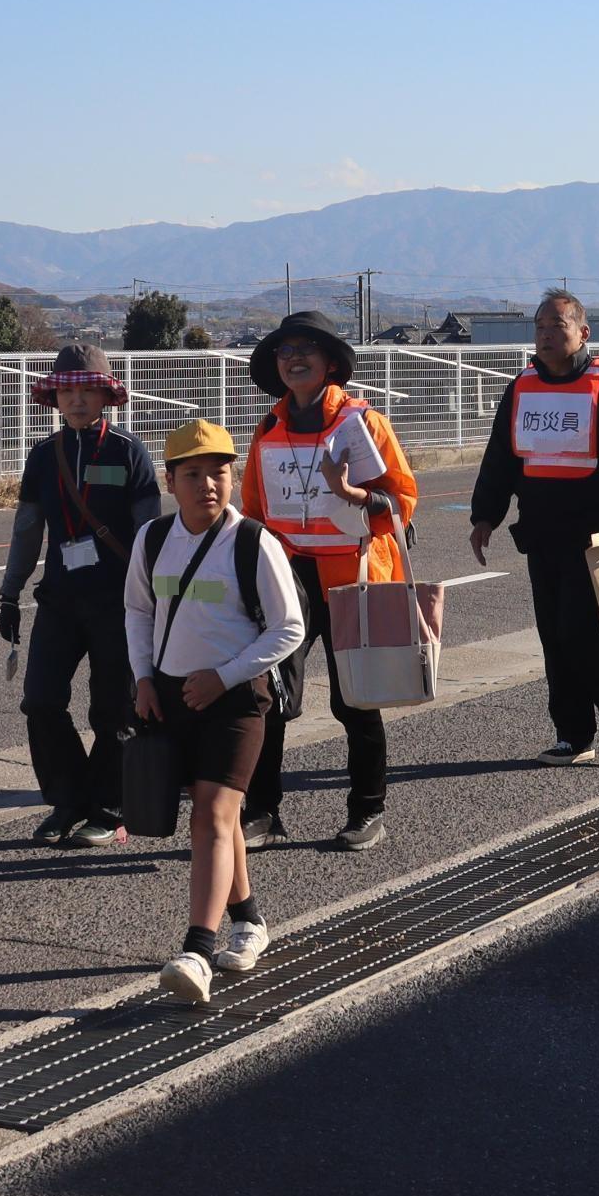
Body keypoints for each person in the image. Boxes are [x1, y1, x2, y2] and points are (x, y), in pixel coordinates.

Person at [127, 421, 304, 1004]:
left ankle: (197, 952)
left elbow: (289, 628)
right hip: (172, 695)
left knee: (210, 816)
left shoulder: (253, 542)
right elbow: (139, 611)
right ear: (170, 482)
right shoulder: (153, 538)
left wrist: (223, 676)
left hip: (236, 700)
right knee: (217, 821)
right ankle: (249, 920)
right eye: (194, 474)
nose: (208, 484)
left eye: (220, 472)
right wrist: (144, 678)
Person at [238, 311, 418, 852]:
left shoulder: (363, 423)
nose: (294, 358)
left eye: (306, 349)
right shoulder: (269, 428)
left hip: (353, 574)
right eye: (284, 350)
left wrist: (352, 494)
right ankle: (263, 812)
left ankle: (367, 810)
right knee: (269, 695)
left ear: (330, 363)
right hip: (286, 574)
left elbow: (401, 504)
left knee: (356, 699)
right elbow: (254, 510)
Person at [469, 289, 599, 765]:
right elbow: (501, 459)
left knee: (582, 630)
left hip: (593, 531)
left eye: (557, 325)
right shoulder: (522, 386)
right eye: (539, 327)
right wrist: (485, 516)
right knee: (553, 635)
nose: (546, 335)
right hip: (540, 529)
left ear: (583, 332)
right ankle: (573, 735)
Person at [0, 345, 159, 847]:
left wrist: (156, 599)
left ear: (106, 395)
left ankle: (108, 807)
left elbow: (149, 532)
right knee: (40, 700)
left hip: (119, 602)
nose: (77, 399)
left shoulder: (128, 452)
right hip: (60, 600)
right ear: (55, 397)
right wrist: (9, 593)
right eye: (67, 390)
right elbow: (27, 529)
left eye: (88, 389)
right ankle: (67, 800)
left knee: (114, 709)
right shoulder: (44, 456)